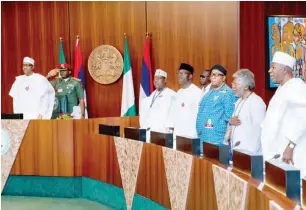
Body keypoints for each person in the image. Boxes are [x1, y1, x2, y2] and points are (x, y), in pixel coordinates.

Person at [261, 51, 306, 177]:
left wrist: (290, 146)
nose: (270, 71)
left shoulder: (297, 86)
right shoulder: (282, 88)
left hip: (291, 154)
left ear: (285, 70)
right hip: (278, 152)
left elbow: (303, 118)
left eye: (273, 67)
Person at [226, 69, 266, 155]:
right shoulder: (238, 101)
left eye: (236, 84)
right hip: (237, 152)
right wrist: (230, 122)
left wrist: (252, 155)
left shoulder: (256, 102)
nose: (232, 86)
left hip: (250, 154)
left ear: (246, 86)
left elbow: (259, 131)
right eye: (233, 84)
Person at [196, 64, 237, 146]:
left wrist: (225, 139)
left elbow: (229, 118)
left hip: (218, 140)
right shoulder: (207, 94)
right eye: (212, 75)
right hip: (203, 137)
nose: (213, 77)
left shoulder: (228, 93)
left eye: (216, 75)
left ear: (223, 78)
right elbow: (200, 112)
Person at [139, 69, 176, 141]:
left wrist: (168, 131)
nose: (156, 80)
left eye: (159, 78)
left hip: (163, 133)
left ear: (165, 80)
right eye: (155, 78)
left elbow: (172, 116)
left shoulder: (172, 95)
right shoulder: (152, 95)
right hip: (150, 132)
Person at [169, 63, 202, 138]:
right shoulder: (178, 93)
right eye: (179, 73)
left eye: (182, 73)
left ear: (190, 76)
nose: (179, 75)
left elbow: (200, 115)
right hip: (177, 134)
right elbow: (173, 113)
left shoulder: (197, 93)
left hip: (191, 135)